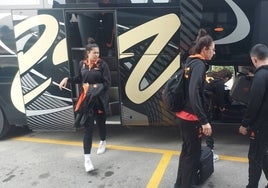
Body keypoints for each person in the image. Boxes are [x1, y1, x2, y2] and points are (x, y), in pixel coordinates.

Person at [59, 39, 111, 172]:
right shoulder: (82, 64)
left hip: (99, 100)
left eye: (98, 53)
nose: (97, 55)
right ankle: (87, 160)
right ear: (88, 53)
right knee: (88, 129)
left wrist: (92, 88)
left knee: (101, 124)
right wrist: (68, 79)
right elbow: (79, 79)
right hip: (87, 101)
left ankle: (103, 141)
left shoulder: (102, 65)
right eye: (94, 53)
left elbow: (107, 84)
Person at [174, 32, 214, 188]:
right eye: (213, 49)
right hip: (191, 118)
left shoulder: (189, 62)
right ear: (204, 49)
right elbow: (193, 92)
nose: (214, 52)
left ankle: (180, 184)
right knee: (193, 155)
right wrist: (204, 121)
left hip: (183, 115)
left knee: (186, 152)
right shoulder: (199, 65)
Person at [239, 43, 268, 188]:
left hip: (260, 126)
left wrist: (245, 123)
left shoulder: (260, 76)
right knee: (263, 154)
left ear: (254, 59)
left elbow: (254, 103)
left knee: (255, 157)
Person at [204, 68, 233, 161]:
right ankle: (210, 148)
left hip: (195, 102)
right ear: (226, 77)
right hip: (205, 105)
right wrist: (222, 107)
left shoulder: (209, 74)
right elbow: (220, 97)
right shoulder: (219, 82)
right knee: (208, 125)